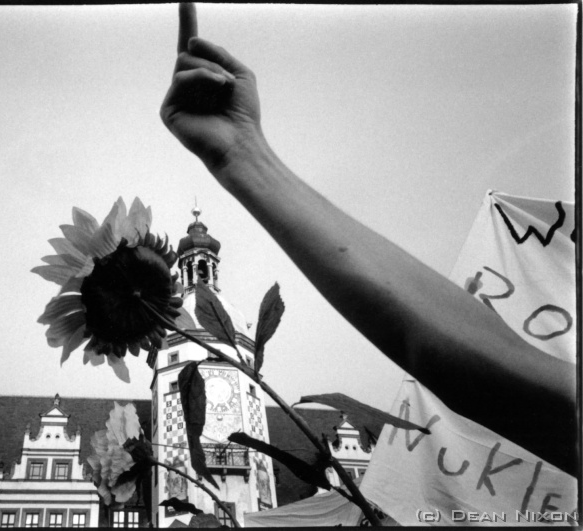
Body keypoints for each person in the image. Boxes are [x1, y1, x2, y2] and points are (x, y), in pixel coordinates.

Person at [160, 3, 577, 476]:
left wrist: (246, 156)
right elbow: (507, 382)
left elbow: (499, 382)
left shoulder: (217, 319)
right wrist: (245, 154)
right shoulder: (190, 314)